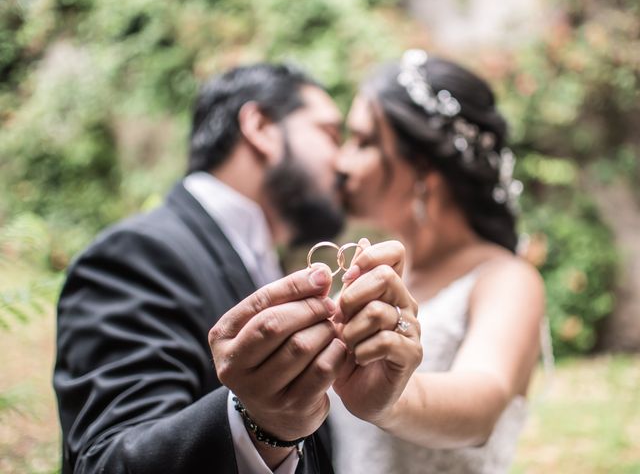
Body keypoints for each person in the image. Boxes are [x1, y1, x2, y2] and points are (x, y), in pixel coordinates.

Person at [53, 62, 422, 474]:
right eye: (330, 134)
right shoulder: (134, 254)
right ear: (260, 126)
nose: (343, 164)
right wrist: (258, 423)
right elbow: (103, 462)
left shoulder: (268, 261)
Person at [330, 50, 546, 473]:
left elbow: (481, 405)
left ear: (422, 168)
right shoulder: (368, 272)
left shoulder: (506, 280)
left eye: (363, 142)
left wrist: (389, 400)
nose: (341, 160)